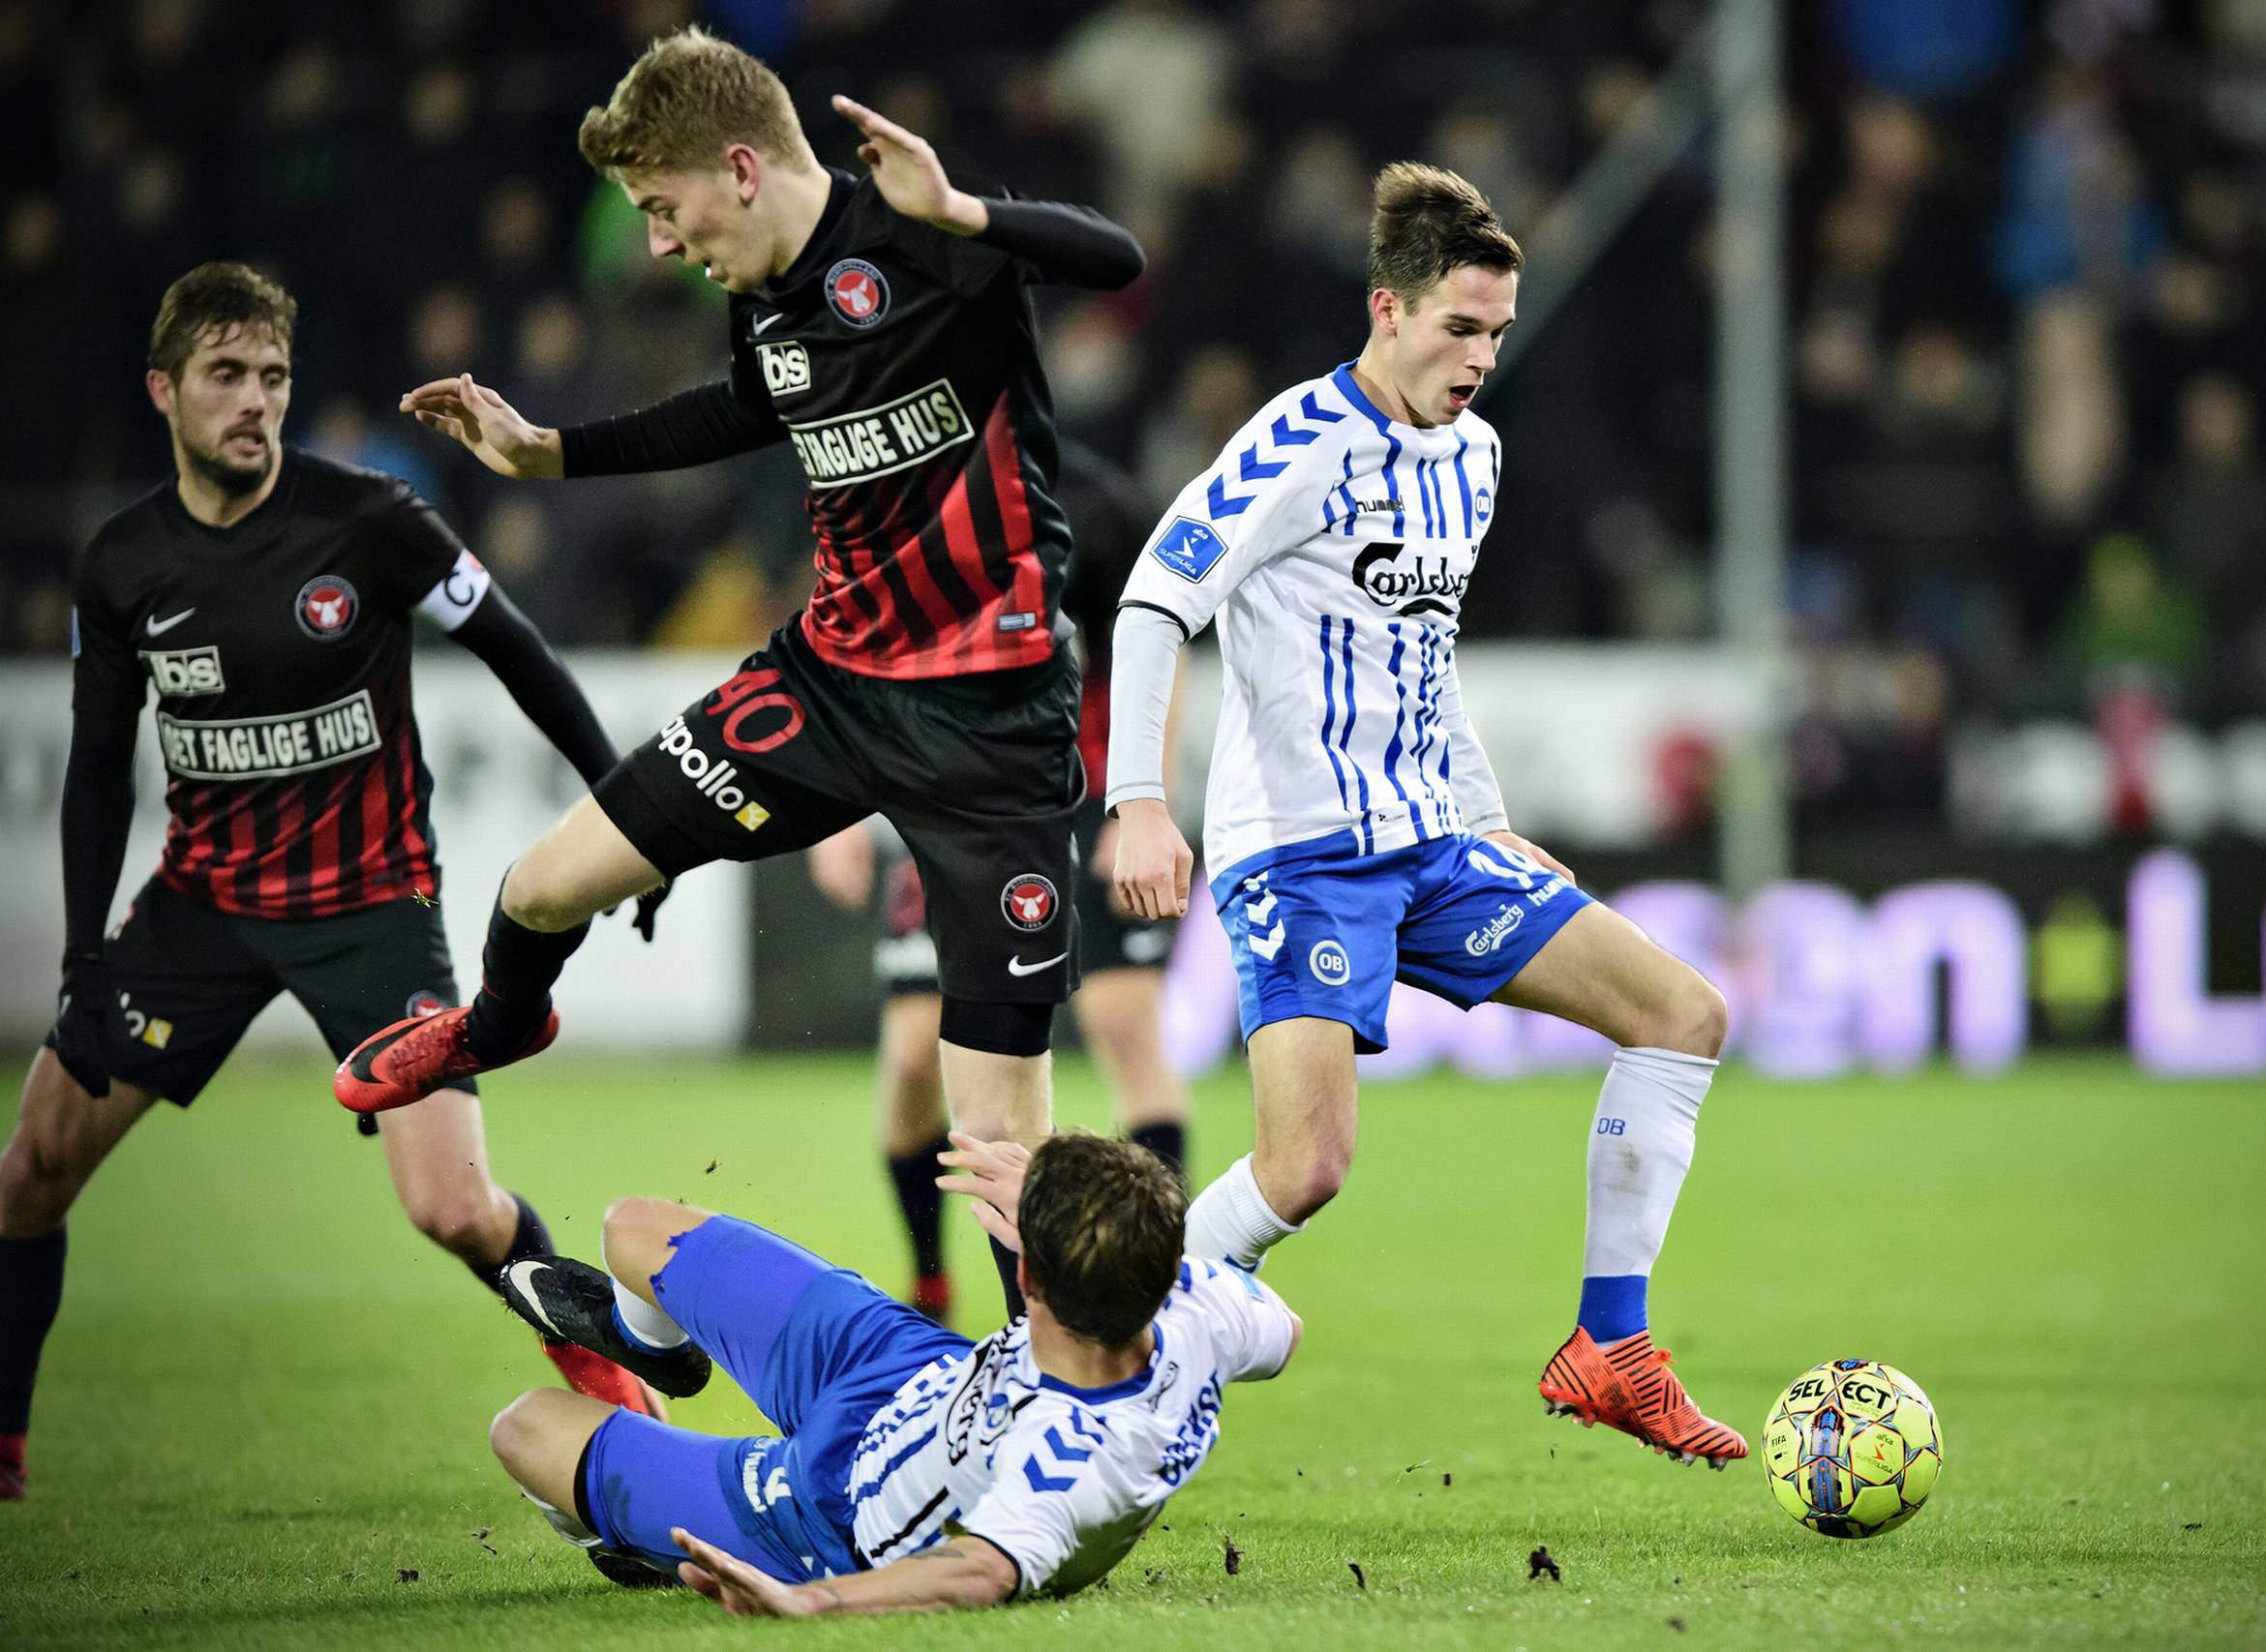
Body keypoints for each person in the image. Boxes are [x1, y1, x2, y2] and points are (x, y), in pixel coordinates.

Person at [335, 27, 1144, 1315]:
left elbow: (1119, 259)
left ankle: (1053, 1393)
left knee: (998, 1135)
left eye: (664, 206)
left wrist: (971, 210)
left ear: (740, 167)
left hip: (994, 723)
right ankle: (499, 1024)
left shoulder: (929, 236)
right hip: (828, 685)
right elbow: (749, 403)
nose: (659, 240)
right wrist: (551, 453)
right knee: (543, 885)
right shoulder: (762, 287)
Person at [1105, 165, 1743, 1465]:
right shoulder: (1294, 445)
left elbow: (1424, 652)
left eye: (1497, 333)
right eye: (1459, 327)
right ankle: (1096, 1319)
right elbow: (1152, 598)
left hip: (1437, 840)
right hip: (1303, 852)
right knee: (1306, 1167)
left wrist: (1491, 817)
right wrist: (1137, 801)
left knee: (1684, 1011)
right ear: (1386, 309)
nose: (1480, 358)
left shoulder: (1477, 457)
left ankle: (1610, 1346)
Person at [0, 263, 667, 1501]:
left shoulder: (370, 520)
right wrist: (83, 960)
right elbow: (97, 775)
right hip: (199, 909)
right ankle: (2, 1436)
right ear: (165, 391)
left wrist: (633, 821)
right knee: (29, 1169)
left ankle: (614, 1394)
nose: (253, 402)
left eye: (272, 379)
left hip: (370, 906)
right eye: (225, 377)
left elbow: (519, 654)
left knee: (457, 1209)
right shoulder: (124, 560)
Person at [485, 1130, 1299, 1610]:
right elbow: (1283, 1328)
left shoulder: (1075, 1452)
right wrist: (1087, 1209)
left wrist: (812, 1601)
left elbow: (982, 1568)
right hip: (908, 1367)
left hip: (827, 1520)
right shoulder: (1201, 1302)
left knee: (526, 1427)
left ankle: (617, 1539)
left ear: (1028, 1278)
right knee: (633, 1229)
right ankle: (658, 1354)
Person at [807, 439, 1193, 1322]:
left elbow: (1154, 658)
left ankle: (1162, 1279)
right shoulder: (910, 500)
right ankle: (931, 1279)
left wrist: (1142, 799)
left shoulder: (1105, 510)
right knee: (912, 1056)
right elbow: (849, 650)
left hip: (1087, 794)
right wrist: (835, 814)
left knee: (1126, 1030)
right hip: (954, 801)